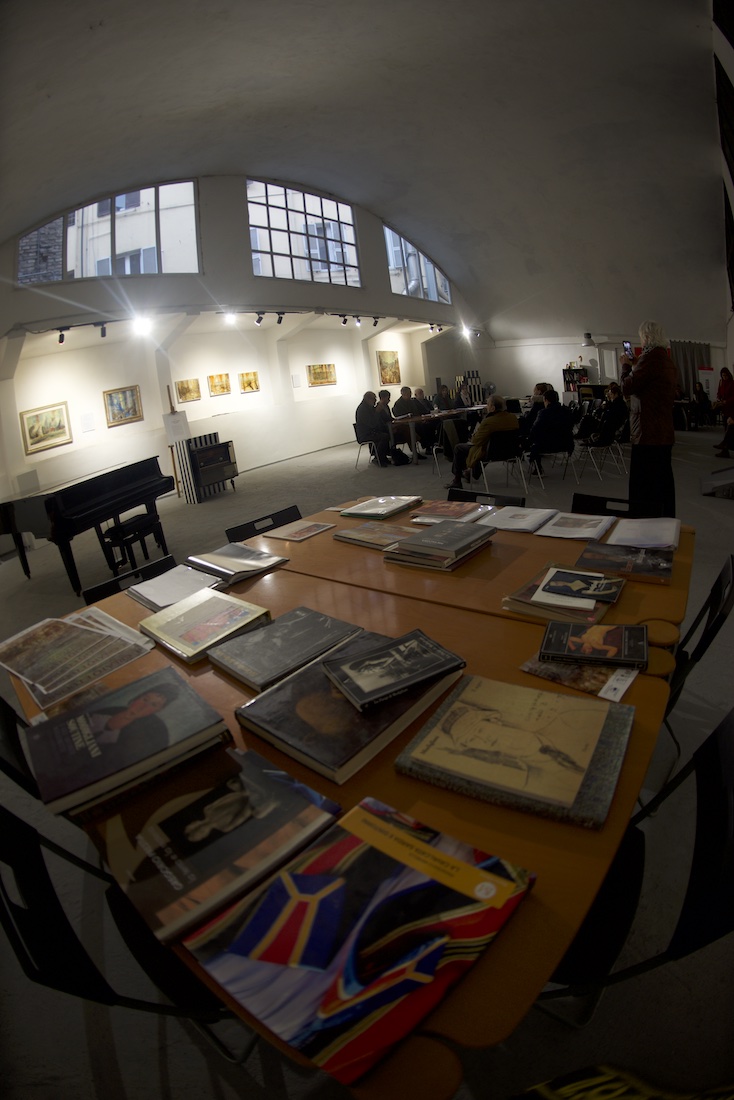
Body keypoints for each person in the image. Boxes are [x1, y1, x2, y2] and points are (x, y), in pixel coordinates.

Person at [620, 319, 677, 517]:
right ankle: (665, 521)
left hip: (647, 433)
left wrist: (626, 367)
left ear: (645, 337)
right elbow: (651, 385)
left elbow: (627, 387)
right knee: (662, 483)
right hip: (662, 431)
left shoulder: (650, 359)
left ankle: (643, 526)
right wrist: (637, 364)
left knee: (643, 486)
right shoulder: (665, 360)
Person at [445, 394, 519, 488]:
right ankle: (470, 472)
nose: (486, 407)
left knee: (460, 448)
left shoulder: (489, 421)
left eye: (488, 404)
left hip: (491, 453)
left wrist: (474, 434)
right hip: (511, 451)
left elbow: (475, 441)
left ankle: (457, 480)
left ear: (493, 408)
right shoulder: (513, 418)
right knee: (485, 446)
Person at [525, 388, 574, 474]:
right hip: (566, 444)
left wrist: (528, 440)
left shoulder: (543, 413)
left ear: (546, 400)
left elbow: (535, 430)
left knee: (533, 443)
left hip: (547, 445)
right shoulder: (567, 411)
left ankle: (538, 468)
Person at [355, 390, 396, 467]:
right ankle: (378, 457)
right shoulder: (362, 409)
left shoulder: (370, 408)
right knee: (384, 436)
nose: (375, 401)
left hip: (372, 431)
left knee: (388, 433)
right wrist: (377, 412)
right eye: (374, 399)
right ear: (367, 399)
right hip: (365, 433)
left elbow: (380, 421)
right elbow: (372, 423)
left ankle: (384, 456)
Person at [712, 367, 734, 456]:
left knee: (729, 429)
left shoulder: (732, 383)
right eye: (723, 375)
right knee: (726, 429)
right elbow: (719, 393)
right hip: (724, 408)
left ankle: (724, 445)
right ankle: (725, 449)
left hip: (731, 408)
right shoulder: (721, 383)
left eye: (725, 375)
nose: (724, 377)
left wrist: (726, 401)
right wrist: (719, 398)